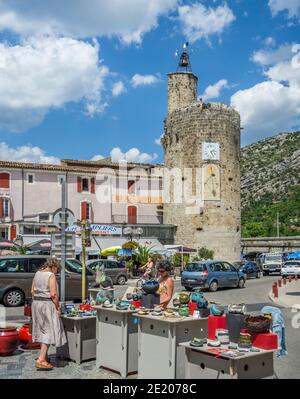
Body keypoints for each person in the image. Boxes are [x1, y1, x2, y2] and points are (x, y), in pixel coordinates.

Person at [31, 258, 67, 370]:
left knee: (41, 329)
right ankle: (41, 359)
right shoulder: (50, 275)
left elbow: (32, 291)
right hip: (47, 304)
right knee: (49, 331)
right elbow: (53, 294)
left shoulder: (37, 273)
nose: (56, 272)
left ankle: (45, 356)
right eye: (57, 269)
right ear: (54, 266)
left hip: (36, 303)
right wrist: (57, 307)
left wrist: (36, 302)